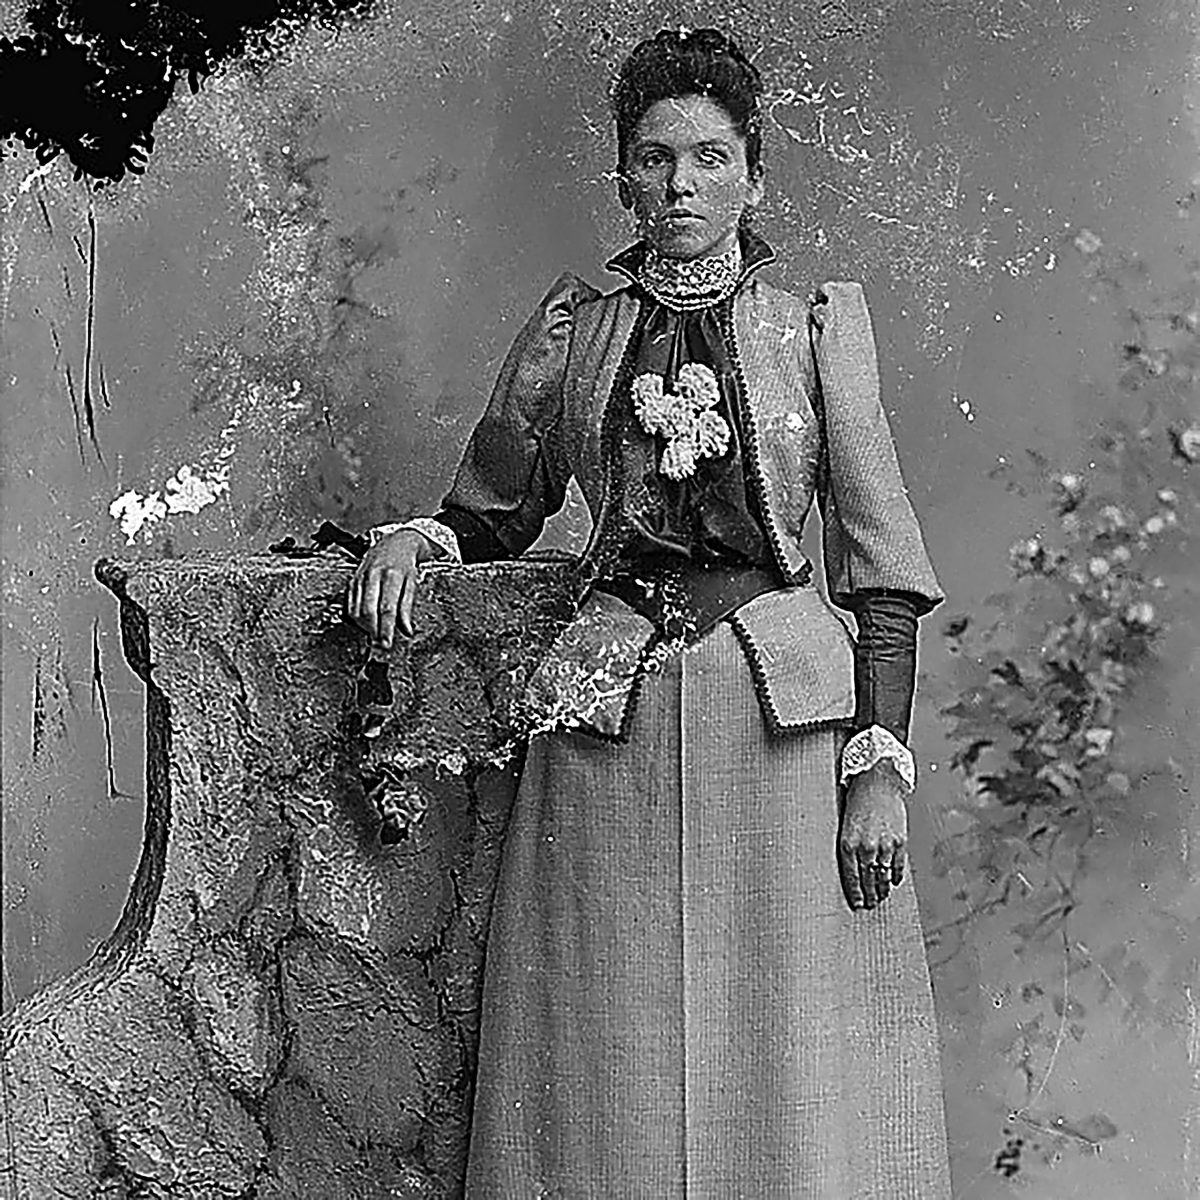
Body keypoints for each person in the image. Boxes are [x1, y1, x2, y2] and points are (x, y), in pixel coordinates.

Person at [347, 27, 952, 1199]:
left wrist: (879, 770)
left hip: (781, 730)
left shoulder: (813, 333)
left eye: (712, 158)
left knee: (781, 1045)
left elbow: (882, 569)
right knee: (600, 1045)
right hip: (602, 725)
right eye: (656, 157)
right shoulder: (575, 332)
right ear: (622, 174)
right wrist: (419, 538)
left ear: (754, 176)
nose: (682, 185)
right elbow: (493, 508)